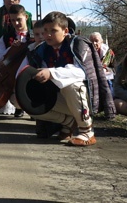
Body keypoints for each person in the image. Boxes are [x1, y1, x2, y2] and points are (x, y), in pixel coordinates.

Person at [15, 11, 97, 146]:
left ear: (65, 31)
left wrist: (51, 73)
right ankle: (69, 122)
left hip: (82, 97)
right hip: (59, 98)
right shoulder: (41, 50)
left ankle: (87, 130)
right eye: (45, 30)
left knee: (72, 85)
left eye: (53, 30)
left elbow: (82, 72)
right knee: (26, 101)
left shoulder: (78, 44)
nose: (47, 35)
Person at [0, 4, 31, 116]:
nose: (16, 23)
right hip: (11, 76)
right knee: (15, 98)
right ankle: (20, 107)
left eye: (19, 19)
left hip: (29, 74)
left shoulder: (36, 35)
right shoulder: (5, 38)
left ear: (26, 17)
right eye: (13, 20)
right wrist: (10, 49)